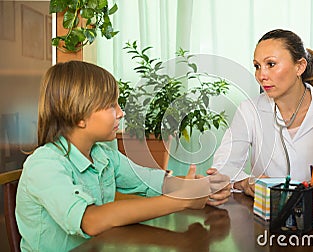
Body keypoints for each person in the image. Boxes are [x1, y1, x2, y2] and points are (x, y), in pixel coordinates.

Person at [15, 61, 230, 252]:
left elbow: (153, 182)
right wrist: (181, 201)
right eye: (111, 105)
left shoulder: (105, 156)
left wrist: (204, 187)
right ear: (79, 115)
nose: (121, 112)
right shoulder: (43, 165)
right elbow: (90, 220)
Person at [212, 29, 313, 197]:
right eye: (257, 66)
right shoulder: (249, 110)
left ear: (299, 66)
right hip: (266, 215)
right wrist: (245, 183)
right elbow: (223, 167)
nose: (261, 75)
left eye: (271, 64)